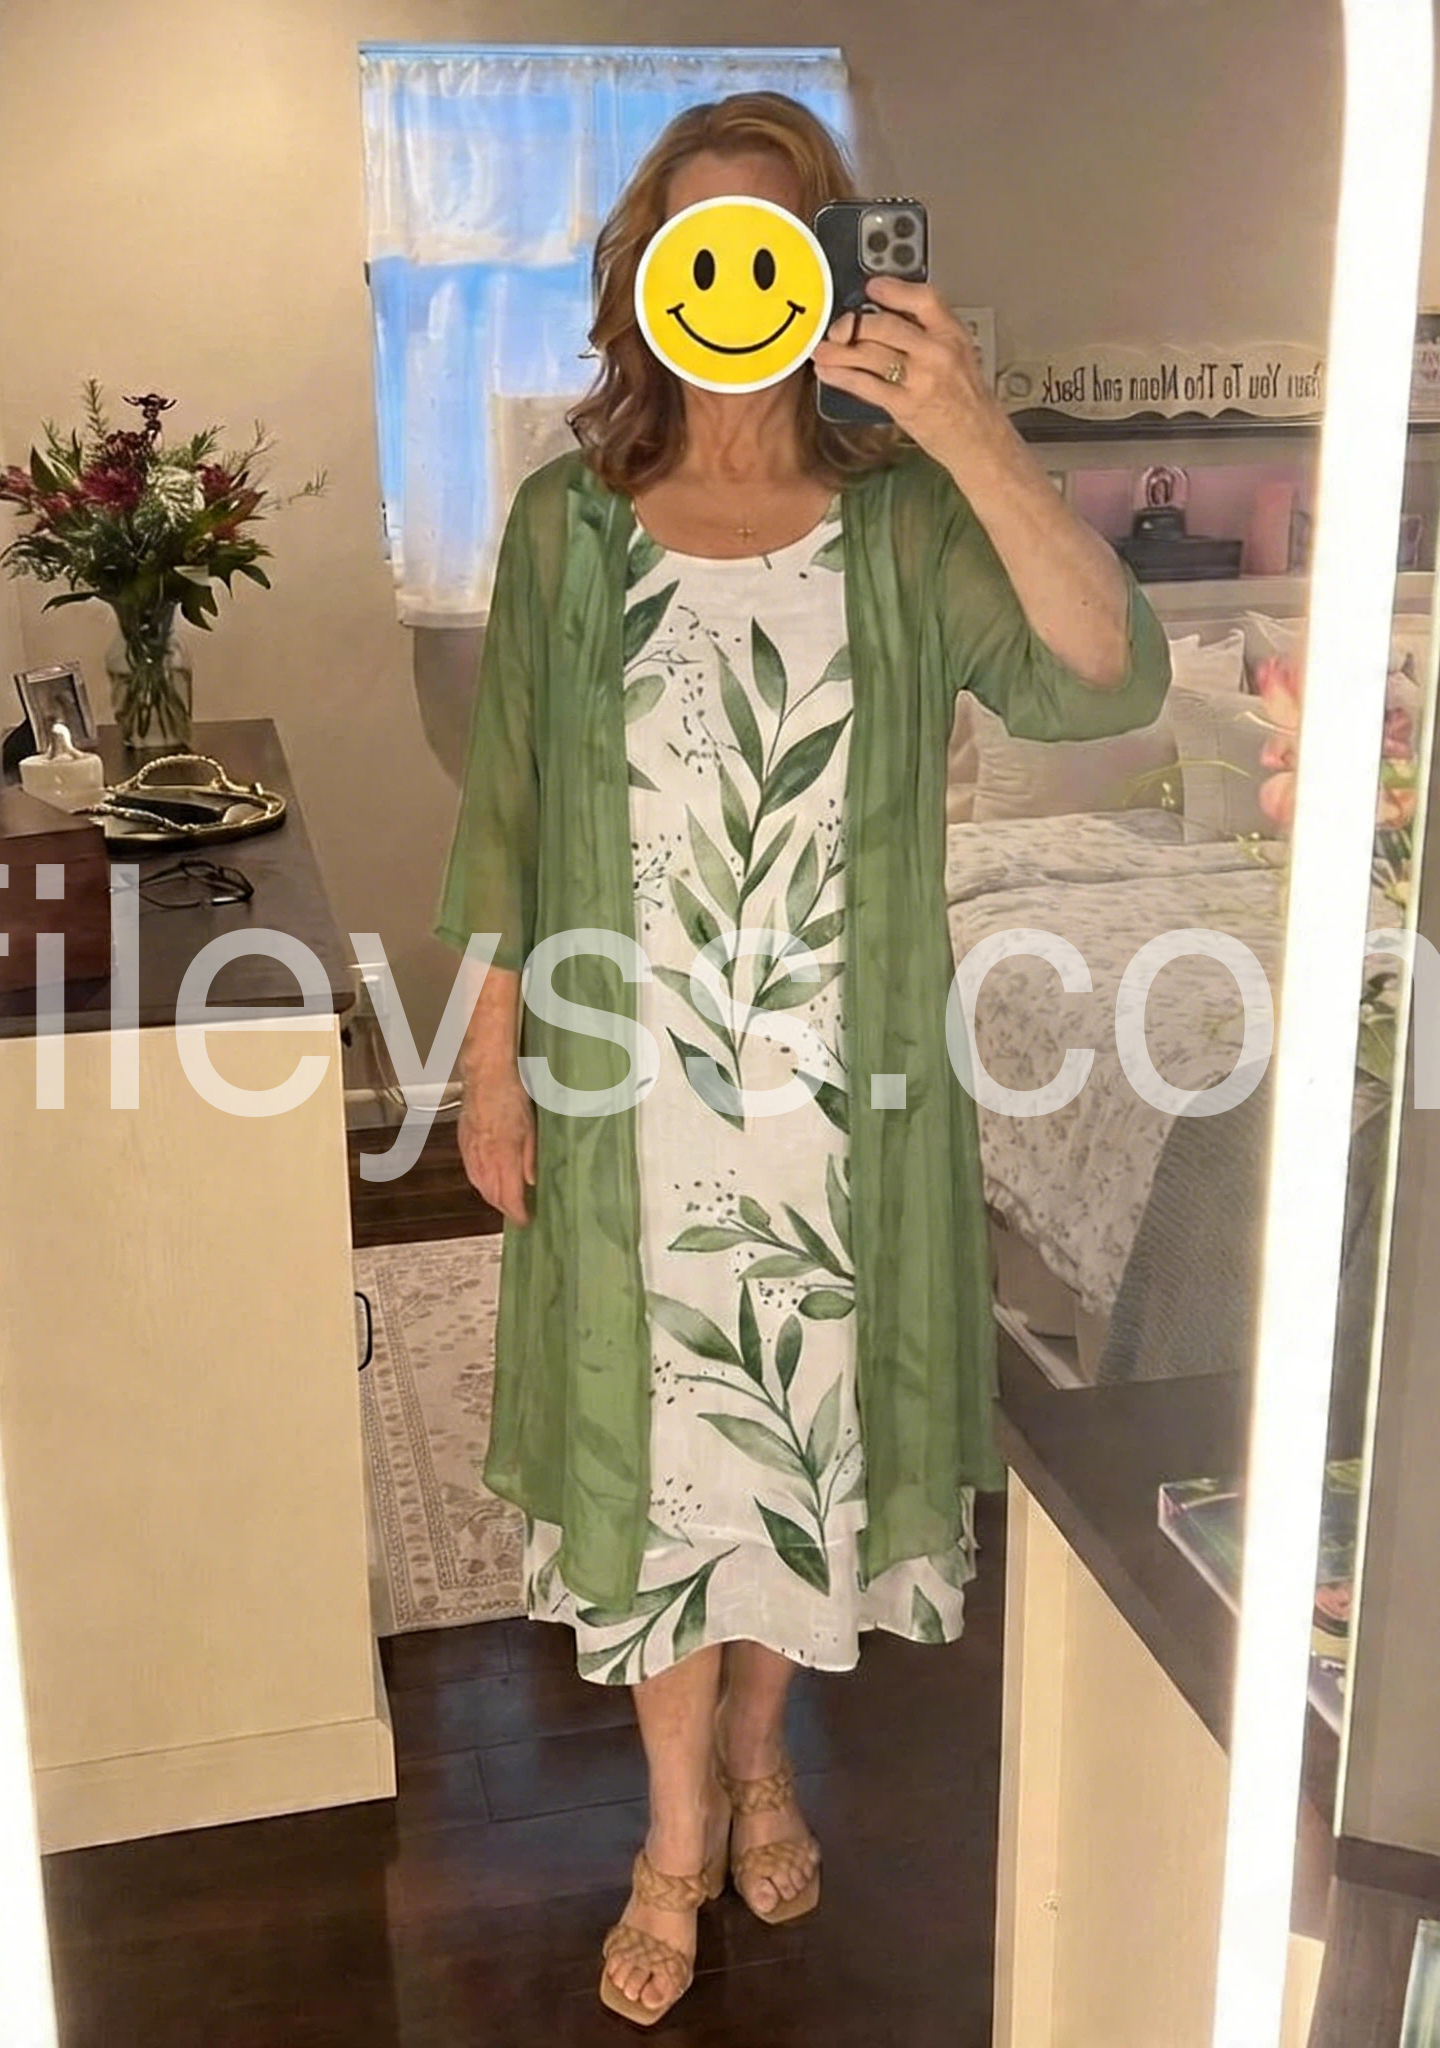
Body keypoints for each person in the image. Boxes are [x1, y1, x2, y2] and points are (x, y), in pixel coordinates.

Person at [435, 90, 1168, 2025]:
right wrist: (494, 1055)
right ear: (649, 276)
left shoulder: (909, 523)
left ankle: (764, 1752)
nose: (735, 279)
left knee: (799, 1462)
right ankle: (678, 1825)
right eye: (701, 243)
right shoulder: (567, 527)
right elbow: (507, 810)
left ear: (831, 267)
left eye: (776, 241)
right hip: (631, 1106)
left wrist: (972, 428)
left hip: (846, 1115)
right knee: (657, 1470)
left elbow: (1107, 677)